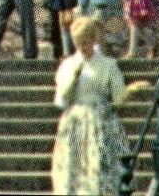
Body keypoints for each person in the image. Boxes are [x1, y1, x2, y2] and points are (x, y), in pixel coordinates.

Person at [50, 13, 131, 196]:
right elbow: (61, 100)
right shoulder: (69, 65)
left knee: (101, 169)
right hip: (75, 123)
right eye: (79, 43)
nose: (83, 47)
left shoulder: (108, 65)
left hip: (101, 121)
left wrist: (125, 96)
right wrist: (73, 76)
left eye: (87, 42)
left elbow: (119, 97)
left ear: (94, 39)